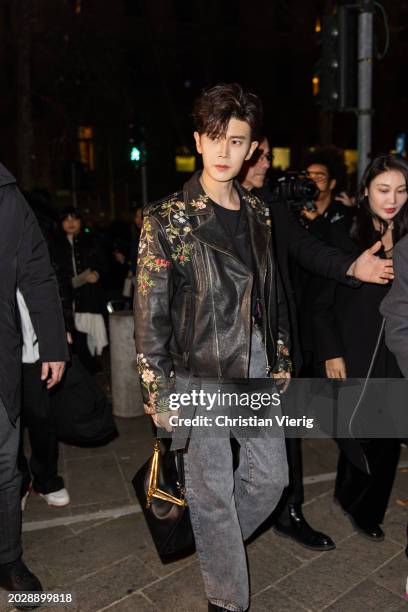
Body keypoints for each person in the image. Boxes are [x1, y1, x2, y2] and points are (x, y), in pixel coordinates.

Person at [135, 83, 292, 612]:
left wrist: (280, 356)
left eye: (238, 141)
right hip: (196, 366)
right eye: (216, 138)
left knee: (271, 477)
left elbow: (273, 292)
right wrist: (156, 387)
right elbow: (150, 313)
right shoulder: (166, 219)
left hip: (252, 357)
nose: (226, 152)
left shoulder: (260, 213)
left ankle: (212, 542)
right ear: (199, 141)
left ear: (252, 148)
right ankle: (227, 599)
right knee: (212, 490)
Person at [239, 139, 395, 551]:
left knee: (286, 438)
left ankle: (289, 511)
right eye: (257, 156)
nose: (265, 164)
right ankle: (228, 524)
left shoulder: (270, 206)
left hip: (277, 342)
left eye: (267, 156)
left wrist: (351, 266)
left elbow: (308, 252)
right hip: (220, 350)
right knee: (226, 450)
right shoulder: (187, 212)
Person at [313, 154, 408, 541]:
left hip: (396, 353)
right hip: (353, 349)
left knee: (386, 440)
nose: (392, 199)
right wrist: (330, 350)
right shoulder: (343, 235)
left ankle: (367, 510)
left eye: (402, 190)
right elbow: (319, 305)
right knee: (355, 433)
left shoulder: (407, 237)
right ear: (365, 189)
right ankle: (346, 493)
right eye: (384, 189)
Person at [0, 162, 68, 606]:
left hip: (2, 356)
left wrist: (54, 346)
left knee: (4, 467)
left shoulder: (5, 195)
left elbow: (38, 272)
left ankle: (7, 558)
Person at [51, 207, 109, 373]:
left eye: (74, 218)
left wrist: (97, 273)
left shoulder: (92, 240)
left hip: (89, 295)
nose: (70, 223)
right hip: (66, 296)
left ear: (80, 221)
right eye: (66, 219)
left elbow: (104, 264)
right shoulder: (54, 244)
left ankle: (90, 367)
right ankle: (80, 369)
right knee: (72, 333)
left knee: (90, 332)